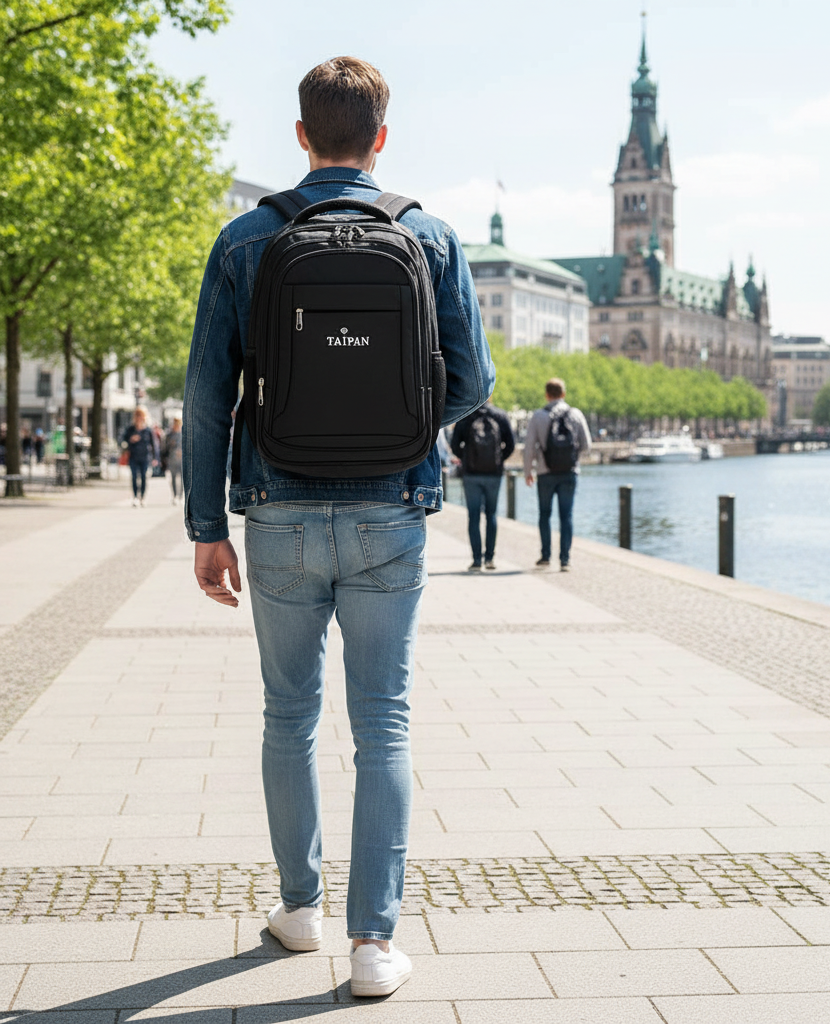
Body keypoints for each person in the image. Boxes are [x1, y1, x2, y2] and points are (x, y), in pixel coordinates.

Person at [182, 56, 493, 998]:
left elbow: (207, 396)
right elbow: (472, 384)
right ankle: (372, 947)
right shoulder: (429, 237)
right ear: (381, 138)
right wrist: (401, 428)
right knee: (383, 724)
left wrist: (207, 525)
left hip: (275, 508)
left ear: (303, 136)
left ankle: (298, 908)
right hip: (391, 511)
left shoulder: (246, 240)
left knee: (289, 714)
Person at [523, 377, 592, 571]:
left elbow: (528, 447)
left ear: (546, 394)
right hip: (569, 472)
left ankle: (545, 556)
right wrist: (573, 457)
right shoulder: (576, 414)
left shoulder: (538, 416)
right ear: (563, 394)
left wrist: (528, 471)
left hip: (545, 473)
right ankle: (565, 560)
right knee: (566, 516)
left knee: (544, 514)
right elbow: (587, 445)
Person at [450, 400, 515, 570]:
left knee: (473, 516)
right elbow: (511, 445)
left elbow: (455, 445)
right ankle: (490, 559)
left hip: (471, 474)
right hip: (494, 473)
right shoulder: (500, 415)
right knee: (491, 515)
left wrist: (466, 458)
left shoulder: (465, 415)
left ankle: (477, 560)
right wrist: (498, 459)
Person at [120, 407, 158, 507]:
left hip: (145, 457)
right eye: (137, 415)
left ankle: (143, 497)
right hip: (133, 456)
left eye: (141, 415)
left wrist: (155, 458)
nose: (139, 418)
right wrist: (130, 440)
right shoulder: (130, 429)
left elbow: (154, 444)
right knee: (134, 477)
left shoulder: (148, 430)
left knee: (144, 477)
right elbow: (122, 441)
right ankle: (135, 497)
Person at [163, 415, 184, 505]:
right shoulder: (169, 435)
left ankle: (181, 496)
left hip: (182, 459)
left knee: (183, 479)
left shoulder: (184, 434)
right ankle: (175, 495)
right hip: (172, 459)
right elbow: (165, 447)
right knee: (173, 478)